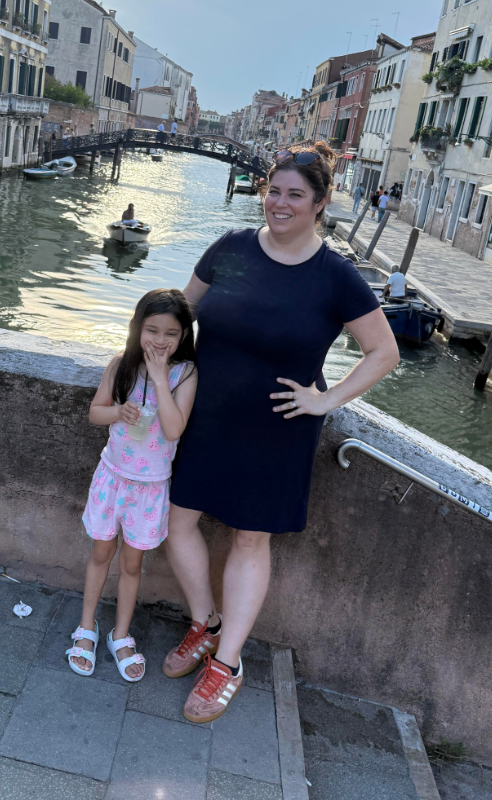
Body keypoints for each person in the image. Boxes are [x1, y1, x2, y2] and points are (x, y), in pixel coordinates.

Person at [163, 143, 400, 724]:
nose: (279, 203)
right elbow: (178, 313)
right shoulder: (232, 248)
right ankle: (205, 621)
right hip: (205, 417)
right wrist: (141, 366)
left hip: (278, 428)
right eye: (273, 190)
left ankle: (230, 660)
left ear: (319, 204)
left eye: (295, 195)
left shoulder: (336, 277)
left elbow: (384, 351)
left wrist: (325, 399)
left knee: (249, 540)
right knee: (177, 521)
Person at [66, 289, 197, 683]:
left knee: (131, 563)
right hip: (113, 478)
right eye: (151, 330)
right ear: (137, 328)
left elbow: (174, 429)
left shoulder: (185, 374)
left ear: (183, 336)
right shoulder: (121, 365)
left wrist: (159, 379)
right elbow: (94, 413)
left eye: (170, 333)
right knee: (101, 552)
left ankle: (120, 634)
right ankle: (86, 627)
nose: (160, 340)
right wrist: (118, 412)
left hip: (151, 486)